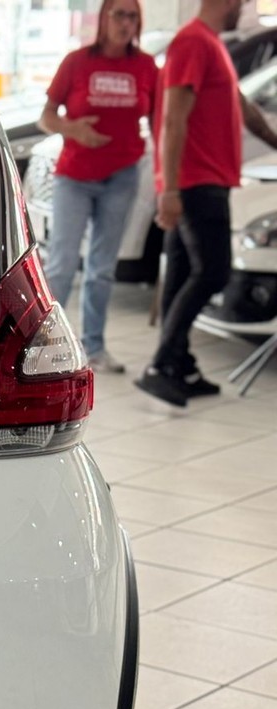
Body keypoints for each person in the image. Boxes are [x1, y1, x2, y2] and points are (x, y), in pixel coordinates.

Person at [138, 0, 277, 406]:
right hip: (197, 183)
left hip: (204, 180)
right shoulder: (193, 43)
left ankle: (179, 365)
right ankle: (162, 364)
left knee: (181, 274)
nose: (244, 7)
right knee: (213, 272)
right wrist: (169, 189)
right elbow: (173, 119)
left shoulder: (212, 44)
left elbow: (244, 109)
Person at [38, 0, 158, 374]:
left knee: (102, 268)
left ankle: (94, 347)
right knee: (62, 264)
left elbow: (160, 122)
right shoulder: (77, 62)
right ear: (103, 18)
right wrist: (72, 129)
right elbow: (46, 117)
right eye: (119, 14)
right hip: (74, 176)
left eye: (132, 16)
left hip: (122, 176)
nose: (125, 22)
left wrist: (166, 175)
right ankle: (44, 348)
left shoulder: (145, 66)